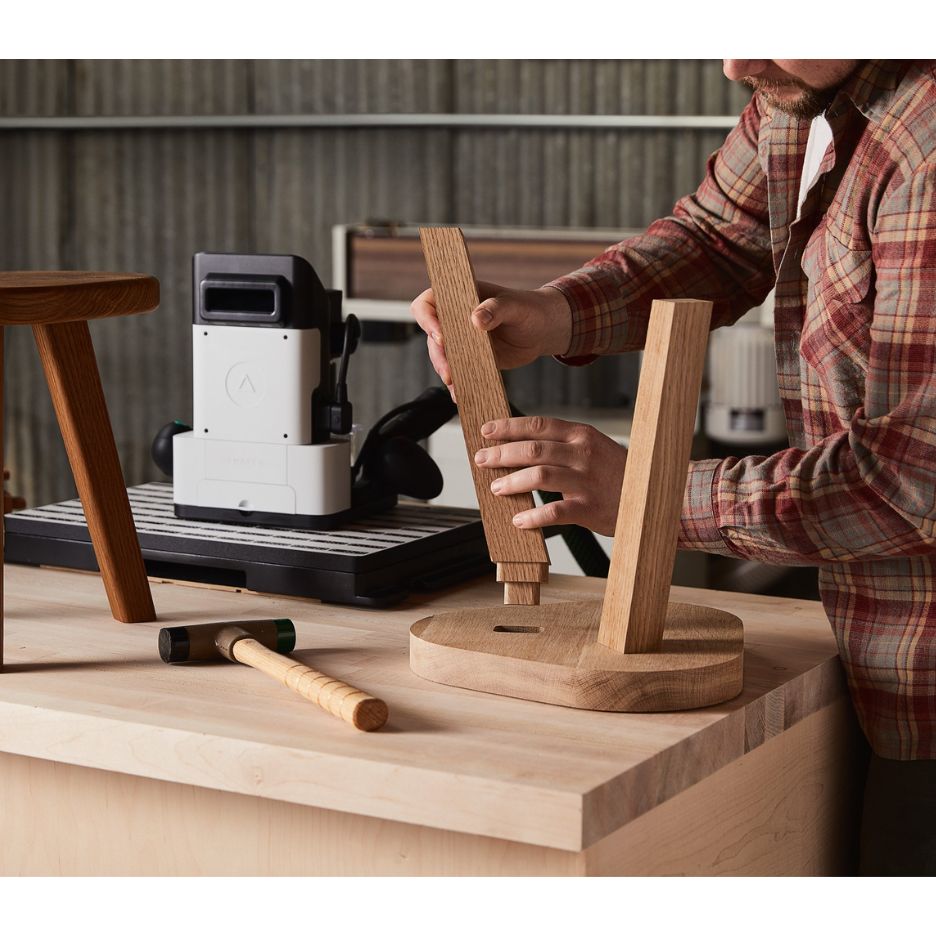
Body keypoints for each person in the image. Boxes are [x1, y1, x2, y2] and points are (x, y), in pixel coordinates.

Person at [411, 59, 936, 875]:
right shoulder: (799, 87)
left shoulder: (926, 146)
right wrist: (556, 313)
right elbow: (718, 240)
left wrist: (648, 497)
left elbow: (911, 482)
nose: (736, 63)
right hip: (869, 652)